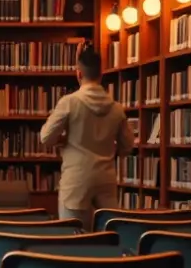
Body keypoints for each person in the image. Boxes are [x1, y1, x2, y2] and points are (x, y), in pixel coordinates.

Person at [40, 47, 135, 227]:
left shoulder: (70, 102)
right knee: (109, 239)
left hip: (76, 181)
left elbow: (46, 137)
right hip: (106, 180)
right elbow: (127, 146)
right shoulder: (116, 108)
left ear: (78, 73)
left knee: (74, 241)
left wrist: (63, 141)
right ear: (101, 74)